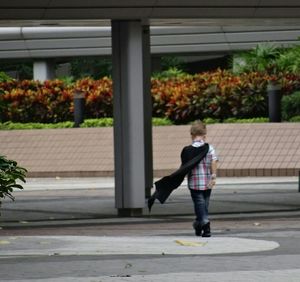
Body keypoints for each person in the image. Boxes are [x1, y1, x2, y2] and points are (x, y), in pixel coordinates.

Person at [186, 120, 218, 237]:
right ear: (205, 134)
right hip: (207, 182)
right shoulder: (209, 148)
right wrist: (213, 176)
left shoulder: (188, 150)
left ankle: (203, 224)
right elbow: (214, 161)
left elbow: (185, 167)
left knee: (199, 204)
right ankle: (202, 224)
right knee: (204, 204)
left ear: (192, 135)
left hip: (194, 183)